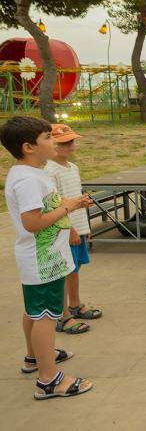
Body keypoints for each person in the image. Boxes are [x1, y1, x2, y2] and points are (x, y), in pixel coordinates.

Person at [1, 116, 94, 399]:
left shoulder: (32, 173)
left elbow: (44, 209)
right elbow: (33, 222)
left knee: (34, 310)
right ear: (29, 146)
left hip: (44, 257)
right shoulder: (28, 180)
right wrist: (69, 209)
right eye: (47, 138)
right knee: (46, 315)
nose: (53, 142)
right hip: (43, 260)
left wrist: (70, 203)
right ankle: (49, 379)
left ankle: (35, 357)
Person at [44, 124, 101, 335]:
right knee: (64, 272)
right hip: (65, 232)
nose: (70, 145)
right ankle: (62, 314)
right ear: (52, 144)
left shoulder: (72, 167)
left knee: (75, 269)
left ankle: (75, 305)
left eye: (71, 141)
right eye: (64, 142)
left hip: (78, 227)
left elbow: (73, 198)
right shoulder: (49, 172)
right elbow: (56, 204)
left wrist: (84, 225)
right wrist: (70, 231)